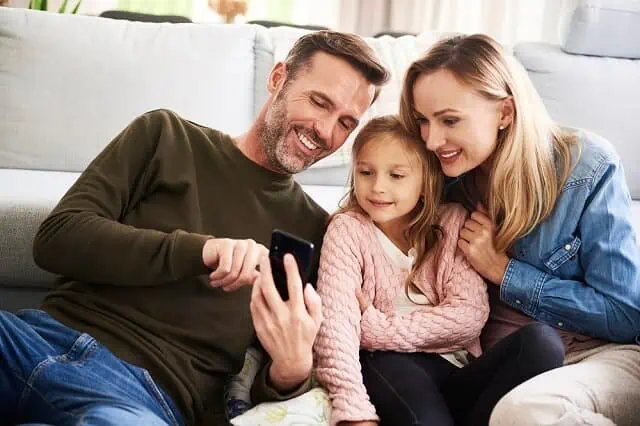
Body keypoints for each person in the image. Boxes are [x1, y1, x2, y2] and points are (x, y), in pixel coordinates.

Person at [0, 31, 389, 426]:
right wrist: (200, 251)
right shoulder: (165, 135)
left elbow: (255, 391)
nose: (325, 131)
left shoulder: (319, 233)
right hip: (32, 340)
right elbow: (56, 239)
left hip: (142, 395)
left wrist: (289, 372)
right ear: (277, 79)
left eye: (345, 123)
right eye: (319, 102)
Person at [399, 33, 640, 426]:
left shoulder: (585, 167)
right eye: (423, 121)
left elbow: (624, 315)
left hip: (597, 357)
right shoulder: (443, 178)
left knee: (526, 412)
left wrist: (505, 272)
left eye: (450, 120)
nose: (431, 139)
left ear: (506, 113)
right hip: (502, 365)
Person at [313, 114, 565, 426]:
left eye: (397, 175)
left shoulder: (451, 222)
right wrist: (352, 411)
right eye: (366, 172)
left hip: (457, 370)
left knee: (542, 342)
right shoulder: (348, 230)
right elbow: (336, 327)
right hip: (391, 365)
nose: (378, 187)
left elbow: (469, 317)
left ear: (425, 181)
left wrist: (378, 328)